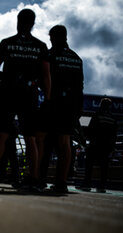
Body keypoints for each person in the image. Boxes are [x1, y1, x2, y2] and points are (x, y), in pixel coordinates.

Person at [0, 9, 51, 190]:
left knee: (1, 137)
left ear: (18, 21)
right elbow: (46, 75)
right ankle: (34, 179)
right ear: (33, 23)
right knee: (30, 138)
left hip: (9, 94)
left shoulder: (7, 43)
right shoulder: (40, 46)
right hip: (29, 95)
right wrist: (48, 98)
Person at [44, 25, 84, 192]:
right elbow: (80, 84)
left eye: (51, 37)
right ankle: (61, 182)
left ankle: (39, 179)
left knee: (45, 141)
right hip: (73, 104)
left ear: (54, 37)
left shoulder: (51, 54)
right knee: (65, 141)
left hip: (55, 101)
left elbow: (45, 78)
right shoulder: (77, 58)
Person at [76, 98, 117, 193]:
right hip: (106, 147)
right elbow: (114, 134)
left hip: (95, 144)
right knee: (104, 167)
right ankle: (102, 186)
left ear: (101, 105)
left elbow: (90, 130)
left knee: (89, 164)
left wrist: (87, 140)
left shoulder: (97, 115)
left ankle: (87, 184)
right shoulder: (113, 118)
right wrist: (111, 146)